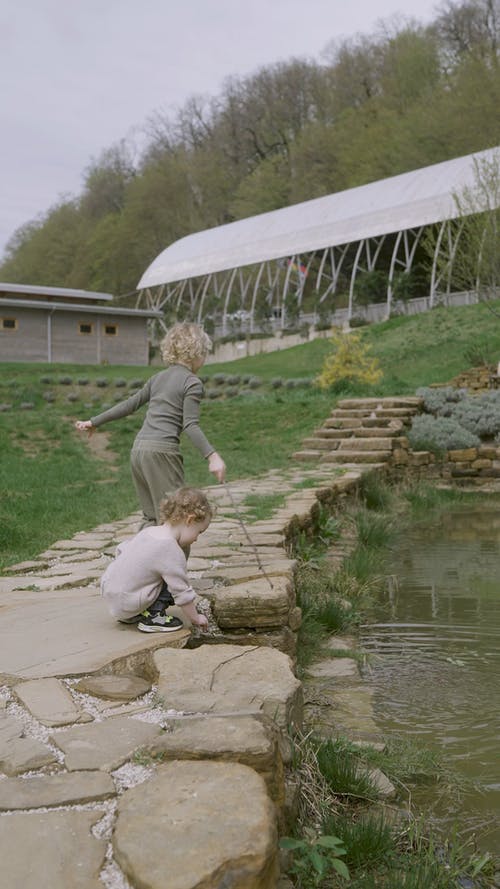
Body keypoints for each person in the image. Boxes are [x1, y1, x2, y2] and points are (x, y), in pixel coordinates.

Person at [75, 322, 225, 527]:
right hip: (162, 453)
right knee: (178, 520)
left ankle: (139, 558)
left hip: (139, 451)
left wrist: (94, 421)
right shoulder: (192, 382)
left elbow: (130, 405)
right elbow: (190, 424)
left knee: (151, 518)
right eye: (205, 353)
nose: (205, 359)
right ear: (196, 352)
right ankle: (174, 560)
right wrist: (213, 457)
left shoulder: (157, 378)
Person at [101, 487, 212, 633]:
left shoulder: (149, 532)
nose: (197, 538)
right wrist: (196, 618)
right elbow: (181, 591)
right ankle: (154, 617)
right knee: (173, 576)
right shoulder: (169, 548)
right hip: (128, 603)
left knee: (153, 570)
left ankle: (134, 612)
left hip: (113, 597)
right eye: (199, 532)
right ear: (190, 520)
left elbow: (122, 550)